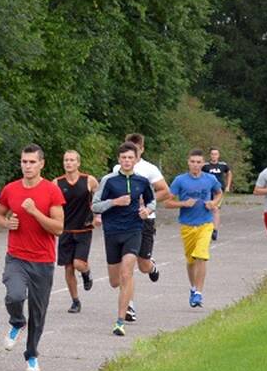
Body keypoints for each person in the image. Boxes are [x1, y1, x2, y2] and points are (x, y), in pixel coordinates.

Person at [0, 144, 65, 371]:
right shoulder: (11, 189)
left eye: (32, 162)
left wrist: (35, 212)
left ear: (41, 164)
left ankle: (32, 355)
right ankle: (16, 321)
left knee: (38, 312)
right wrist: (7, 223)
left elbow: (58, 228)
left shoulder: (52, 191)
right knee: (14, 295)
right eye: (24, 162)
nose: (27, 166)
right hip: (16, 257)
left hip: (43, 260)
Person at [92, 141, 155, 336]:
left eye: (130, 158)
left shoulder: (142, 181)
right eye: (124, 158)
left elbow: (152, 201)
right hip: (112, 232)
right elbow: (95, 206)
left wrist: (147, 210)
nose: (127, 161)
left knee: (127, 272)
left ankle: (120, 321)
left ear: (136, 160)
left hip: (134, 229)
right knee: (114, 281)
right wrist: (115, 202)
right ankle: (125, 299)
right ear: (119, 160)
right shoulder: (108, 181)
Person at [113, 133, 167, 322]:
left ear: (141, 150)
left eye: (134, 151)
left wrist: (147, 203)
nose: (129, 157)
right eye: (126, 152)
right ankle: (129, 306)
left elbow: (165, 191)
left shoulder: (149, 169)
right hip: (124, 222)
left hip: (145, 220)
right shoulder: (117, 168)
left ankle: (152, 266)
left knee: (142, 265)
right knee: (126, 267)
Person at [165, 149, 222, 308]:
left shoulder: (210, 179)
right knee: (191, 260)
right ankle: (193, 288)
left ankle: (198, 293)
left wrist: (214, 203)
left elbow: (219, 193)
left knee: (201, 256)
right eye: (193, 162)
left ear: (203, 164)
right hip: (187, 225)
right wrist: (183, 203)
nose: (196, 165)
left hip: (205, 223)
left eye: (198, 162)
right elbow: (167, 202)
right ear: (188, 163)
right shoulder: (180, 180)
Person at [54, 150, 98, 313]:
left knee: (78, 264)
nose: (68, 163)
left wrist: (97, 216)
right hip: (65, 229)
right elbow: (51, 205)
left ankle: (86, 273)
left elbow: (100, 199)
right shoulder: (57, 183)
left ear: (78, 163)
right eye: (66, 160)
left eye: (72, 160)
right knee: (68, 267)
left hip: (83, 228)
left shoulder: (89, 181)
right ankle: (75, 301)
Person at [204, 147, 232, 241]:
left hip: (218, 190)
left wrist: (228, 185)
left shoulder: (223, 165)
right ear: (210, 155)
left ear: (218, 155)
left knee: (215, 208)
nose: (214, 156)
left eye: (216, 154)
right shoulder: (205, 166)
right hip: (207, 190)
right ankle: (206, 228)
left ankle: (215, 230)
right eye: (212, 154)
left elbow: (229, 173)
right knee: (207, 208)